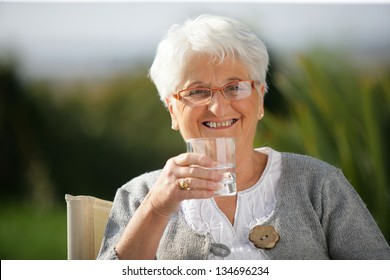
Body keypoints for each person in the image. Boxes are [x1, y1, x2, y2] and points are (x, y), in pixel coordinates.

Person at [97, 14, 390, 260]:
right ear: (172, 109)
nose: (218, 106)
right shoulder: (139, 195)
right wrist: (156, 208)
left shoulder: (319, 184)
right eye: (197, 91)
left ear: (260, 100)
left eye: (235, 87)